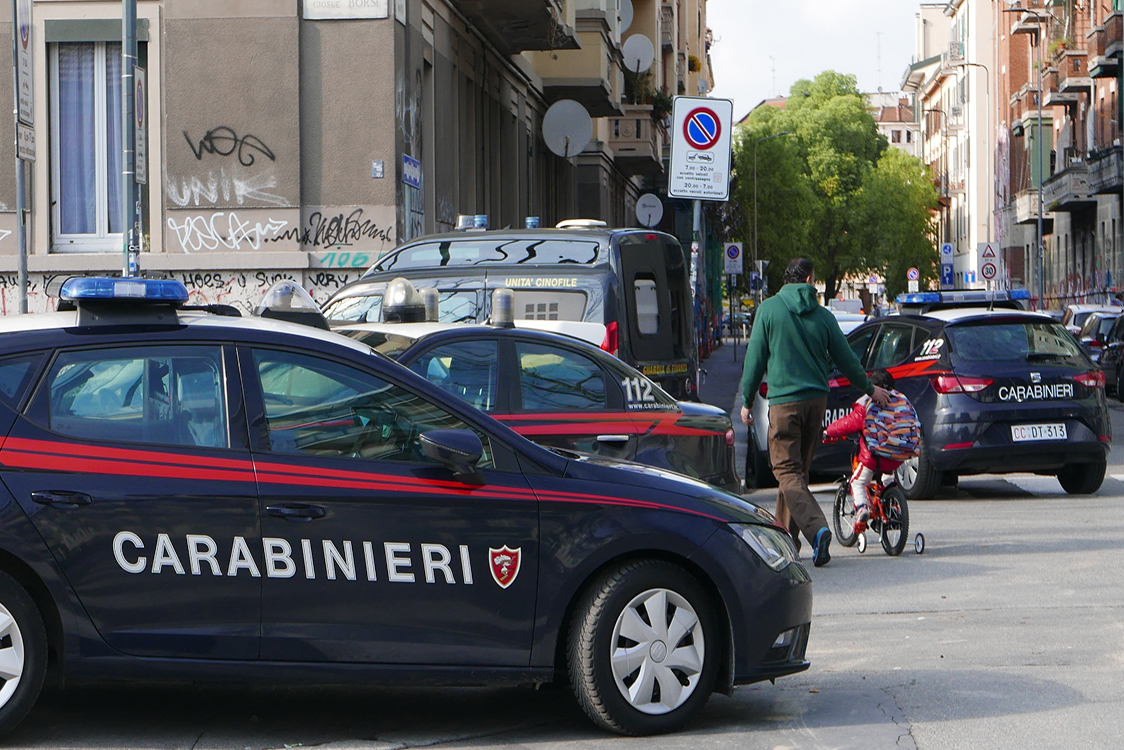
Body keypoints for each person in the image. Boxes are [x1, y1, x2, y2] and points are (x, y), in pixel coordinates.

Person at [740, 258, 890, 567]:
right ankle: (787, 541)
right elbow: (846, 358)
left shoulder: (768, 310)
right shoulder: (823, 316)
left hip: (784, 403)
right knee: (796, 474)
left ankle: (817, 529)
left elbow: (755, 358)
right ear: (809, 279)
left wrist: (746, 397)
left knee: (785, 471)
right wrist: (869, 388)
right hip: (816, 402)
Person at [823, 369, 903, 526]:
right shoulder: (899, 404)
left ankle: (862, 508)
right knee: (887, 480)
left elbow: (847, 424)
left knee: (857, 482)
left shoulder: (866, 405)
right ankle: (893, 507)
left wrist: (828, 431)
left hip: (873, 458)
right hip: (895, 457)